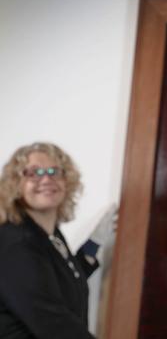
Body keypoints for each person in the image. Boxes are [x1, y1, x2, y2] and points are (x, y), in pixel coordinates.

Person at [0, 143, 104, 339]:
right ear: (15, 184)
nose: (46, 179)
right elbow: (52, 321)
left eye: (54, 171)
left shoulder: (50, 235)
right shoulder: (15, 242)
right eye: (33, 173)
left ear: (67, 181)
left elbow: (54, 280)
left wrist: (92, 247)